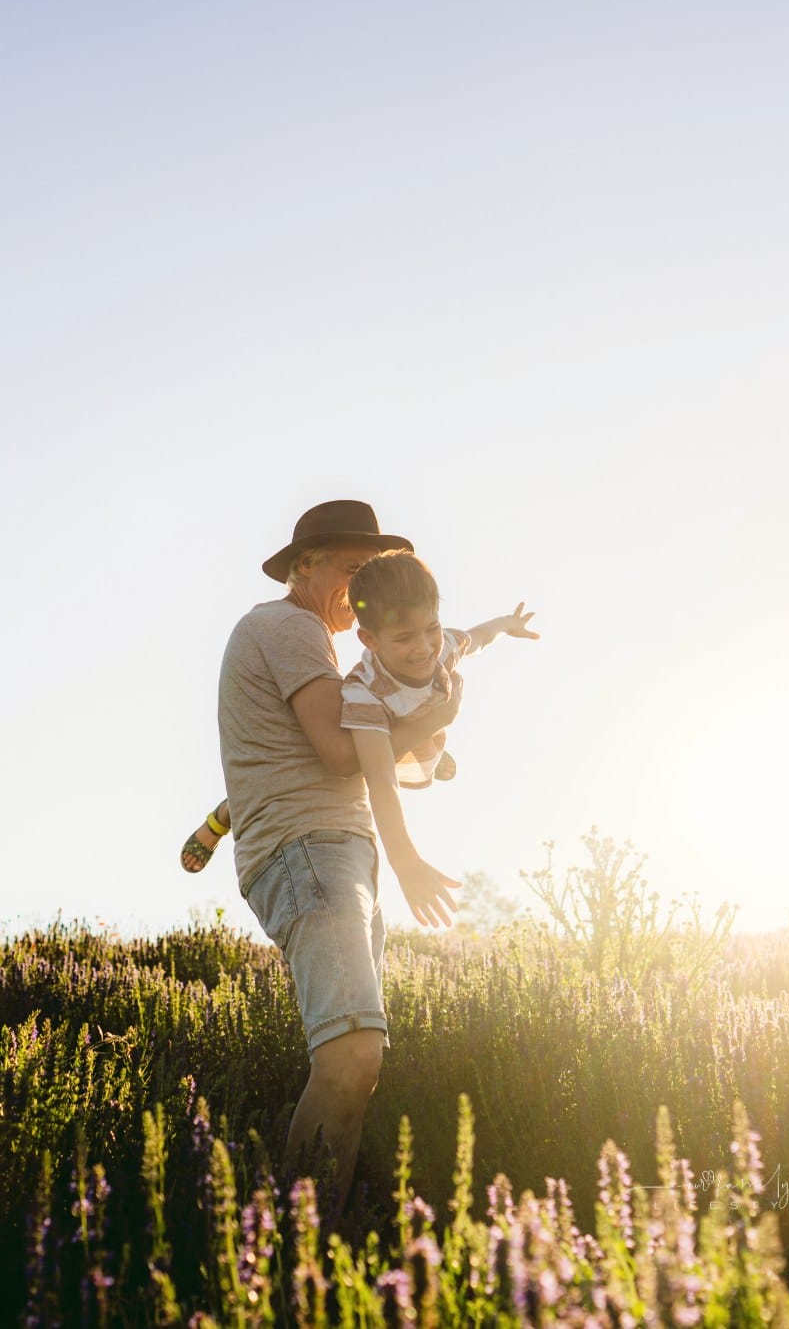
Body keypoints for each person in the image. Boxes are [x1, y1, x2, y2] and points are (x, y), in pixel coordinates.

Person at [213, 500, 463, 1214]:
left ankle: (311, 1249)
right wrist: (435, 720)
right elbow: (336, 751)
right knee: (352, 1055)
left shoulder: (300, 642)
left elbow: (296, 755)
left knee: (356, 1055)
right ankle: (292, 1256)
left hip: (331, 854)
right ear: (302, 566)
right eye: (350, 569)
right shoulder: (289, 626)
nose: (360, 591)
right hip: (313, 850)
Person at [340, 550, 538, 923]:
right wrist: (407, 864)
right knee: (396, 758)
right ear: (369, 639)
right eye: (403, 638)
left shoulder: (442, 645)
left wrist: (508, 623)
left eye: (430, 628)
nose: (423, 647)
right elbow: (381, 783)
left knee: (436, 727)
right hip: (391, 748)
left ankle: (435, 754)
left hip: (430, 719)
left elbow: (478, 637)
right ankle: (429, 757)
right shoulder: (363, 693)